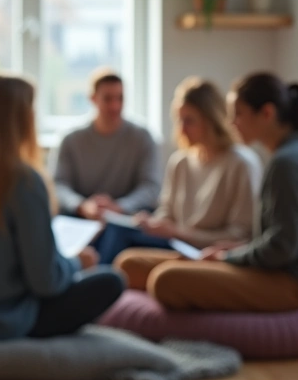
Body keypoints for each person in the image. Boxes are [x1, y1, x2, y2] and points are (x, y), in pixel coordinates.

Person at [116, 72, 298, 311]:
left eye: (238, 114)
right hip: (274, 268)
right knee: (129, 264)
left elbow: (281, 250)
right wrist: (229, 253)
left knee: (165, 280)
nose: (231, 122)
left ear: (267, 114)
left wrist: (228, 258)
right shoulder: (290, 156)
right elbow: (275, 241)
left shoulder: (288, 163)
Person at [0, 74, 124, 340]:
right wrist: (77, 263)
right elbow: (45, 283)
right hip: (3, 319)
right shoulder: (23, 180)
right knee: (111, 281)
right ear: (21, 119)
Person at [92, 77, 263, 264]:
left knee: (128, 257)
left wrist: (177, 232)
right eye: (179, 120)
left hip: (209, 252)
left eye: (189, 121)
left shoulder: (241, 164)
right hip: (176, 244)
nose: (181, 129)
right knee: (117, 231)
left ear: (211, 120)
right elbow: (167, 212)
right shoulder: (180, 161)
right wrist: (153, 223)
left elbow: (240, 236)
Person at [54, 70, 162, 218]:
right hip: (82, 215)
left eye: (120, 98)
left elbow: (150, 186)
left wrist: (120, 207)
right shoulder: (71, 140)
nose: (115, 106)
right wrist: (82, 205)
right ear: (93, 99)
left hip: (125, 216)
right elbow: (59, 185)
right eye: (108, 99)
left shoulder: (142, 137)